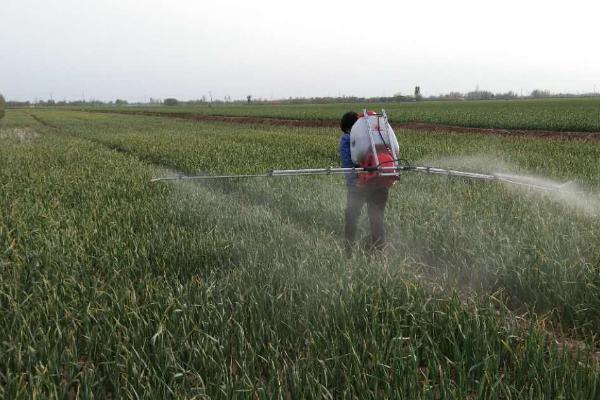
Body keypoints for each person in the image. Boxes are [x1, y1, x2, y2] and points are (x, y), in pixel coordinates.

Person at [339, 111, 390, 256]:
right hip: (381, 182)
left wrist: (354, 183)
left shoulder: (347, 138)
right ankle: (379, 255)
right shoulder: (378, 135)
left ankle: (348, 253)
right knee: (377, 220)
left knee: (351, 218)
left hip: (359, 186)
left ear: (348, 127)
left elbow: (347, 165)